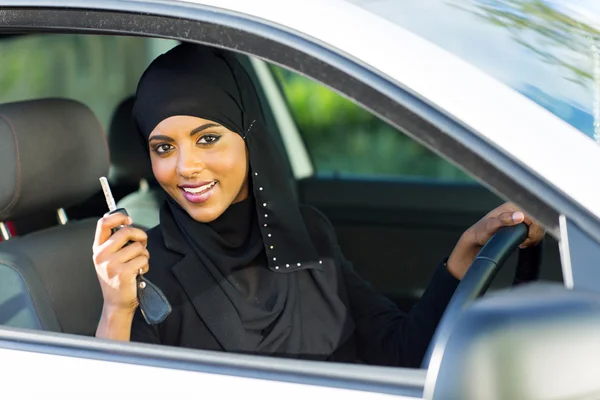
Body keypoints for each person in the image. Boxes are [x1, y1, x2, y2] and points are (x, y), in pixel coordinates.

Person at [93, 43, 544, 367]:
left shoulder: (306, 233)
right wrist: (117, 309)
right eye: (164, 148)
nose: (185, 166)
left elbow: (400, 352)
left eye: (208, 139)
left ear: (249, 138)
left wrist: (463, 259)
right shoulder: (142, 272)